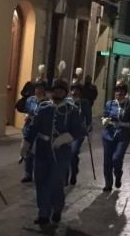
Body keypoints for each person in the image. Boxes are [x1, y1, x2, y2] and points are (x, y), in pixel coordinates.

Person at [21, 78, 85, 225]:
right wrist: (26, 143)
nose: (57, 93)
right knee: (40, 181)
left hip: (60, 153)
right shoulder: (43, 108)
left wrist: (65, 138)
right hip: (42, 150)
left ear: (65, 92)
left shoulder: (71, 110)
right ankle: (43, 213)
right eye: (55, 90)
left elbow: (79, 131)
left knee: (55, 182)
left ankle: (57, 207)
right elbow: (33, 127)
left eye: (61, 90)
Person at [100, 80, 130, 192]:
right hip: (108, 135)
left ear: (125, 92)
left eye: (121, 91)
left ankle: (118, 174)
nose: (119, 93)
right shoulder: (109, 104)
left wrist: (123, 125)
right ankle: (108, 183)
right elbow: (104, 116)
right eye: (117, 90)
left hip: (123, 136)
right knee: (107, 161)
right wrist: (105, 120)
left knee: (116, 158)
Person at [17, 78, 48, 184]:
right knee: (28, 152)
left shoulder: (47, 102)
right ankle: (28, 174)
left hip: (40, 131)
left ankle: (38, 173)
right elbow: (25, 109)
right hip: (29, 128)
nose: (38, 90)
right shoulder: (30, 99)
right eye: (37, 88)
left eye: (41, 88)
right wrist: (28, 115)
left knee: (36, 152)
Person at [68, 83, 93, 186]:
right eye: (73, 90)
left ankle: (74, 171)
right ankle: (65, 176)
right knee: (65, 154)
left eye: (77, 90)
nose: (74, 92)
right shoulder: (66, 102)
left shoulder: (84, 103)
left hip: (78, 133)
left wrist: (88, 130)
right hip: (65, 132)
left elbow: (89, 119)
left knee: (73, 152)